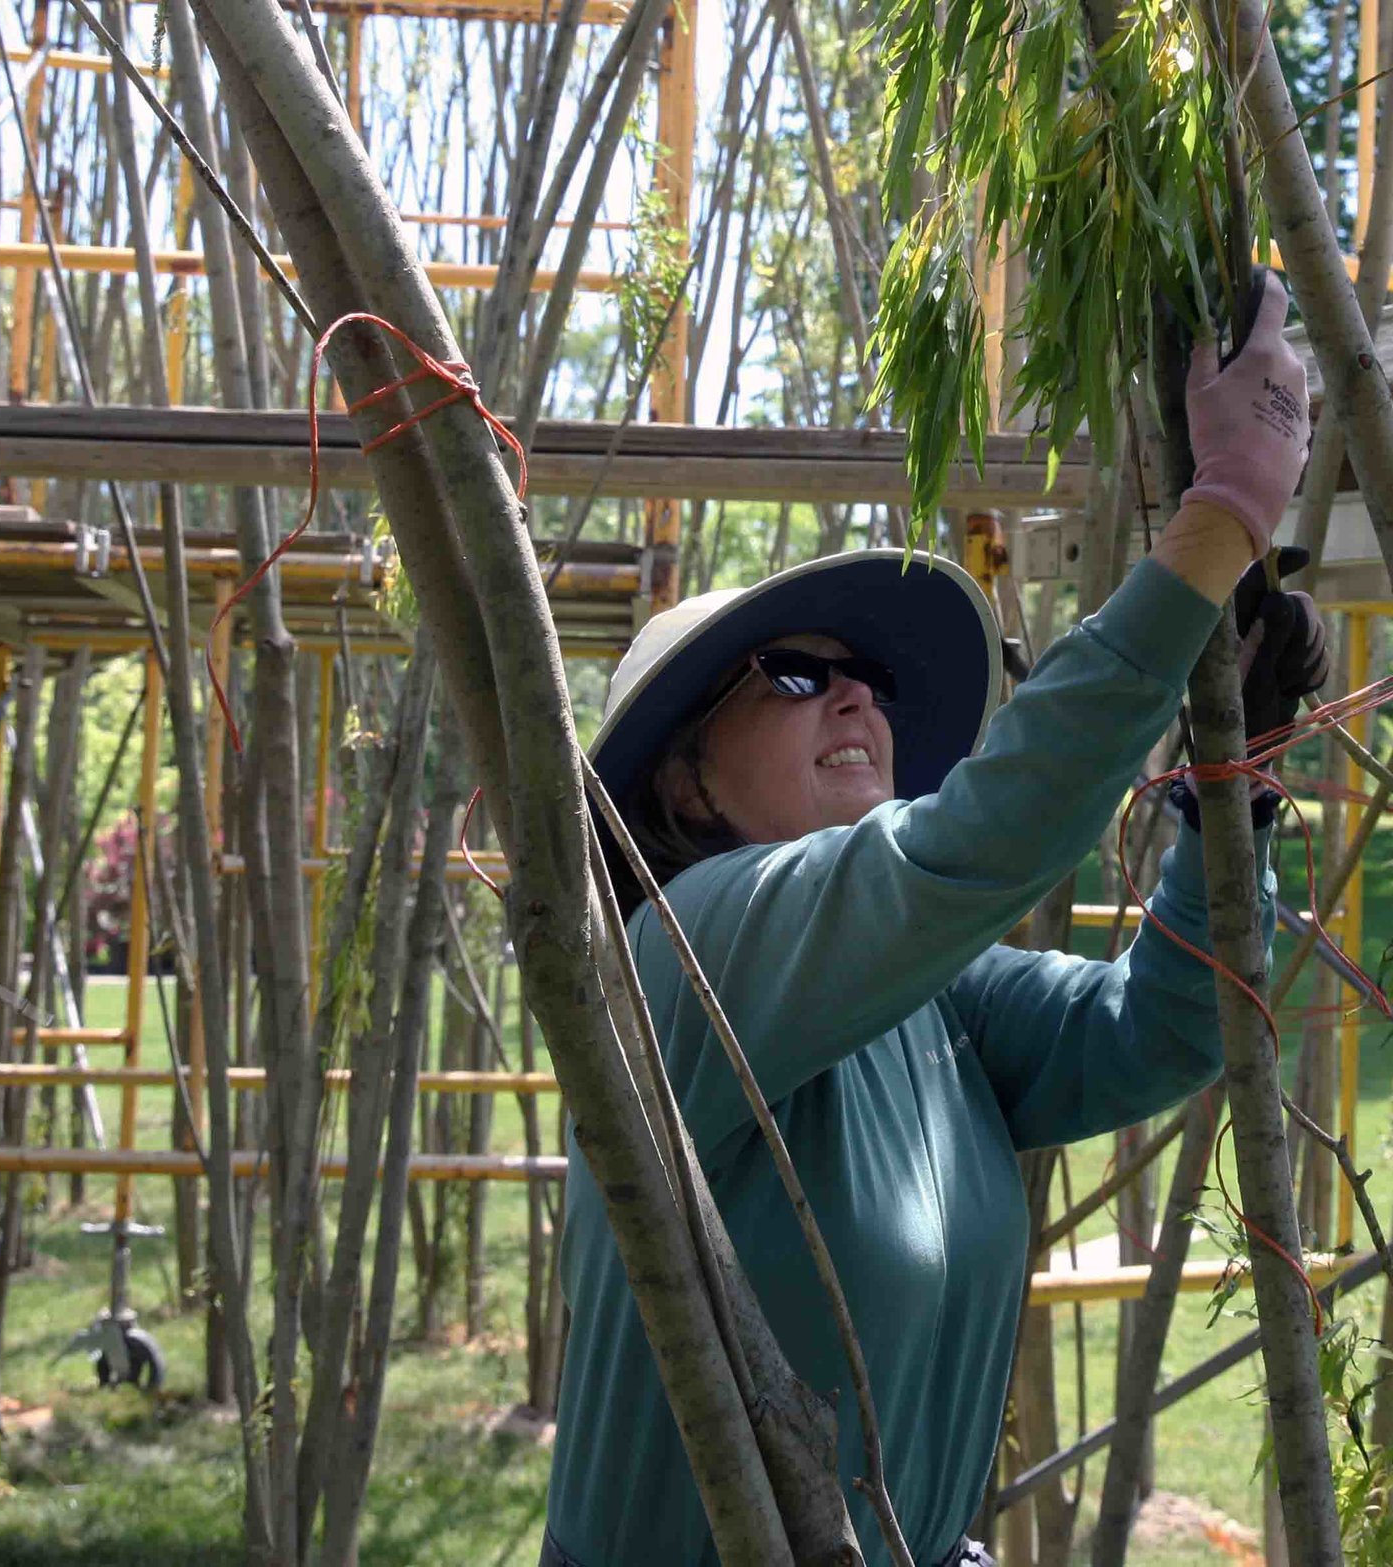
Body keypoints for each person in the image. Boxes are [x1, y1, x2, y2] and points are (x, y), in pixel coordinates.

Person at [543, 285, 1329, 1566]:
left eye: (873, 677)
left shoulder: (933, 1002)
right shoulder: (684, 959)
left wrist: (1228, 794)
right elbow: (976, 842)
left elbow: (1161, 1027)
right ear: (683, 782)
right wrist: (1218, 522)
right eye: (799, 675)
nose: (856, 692)